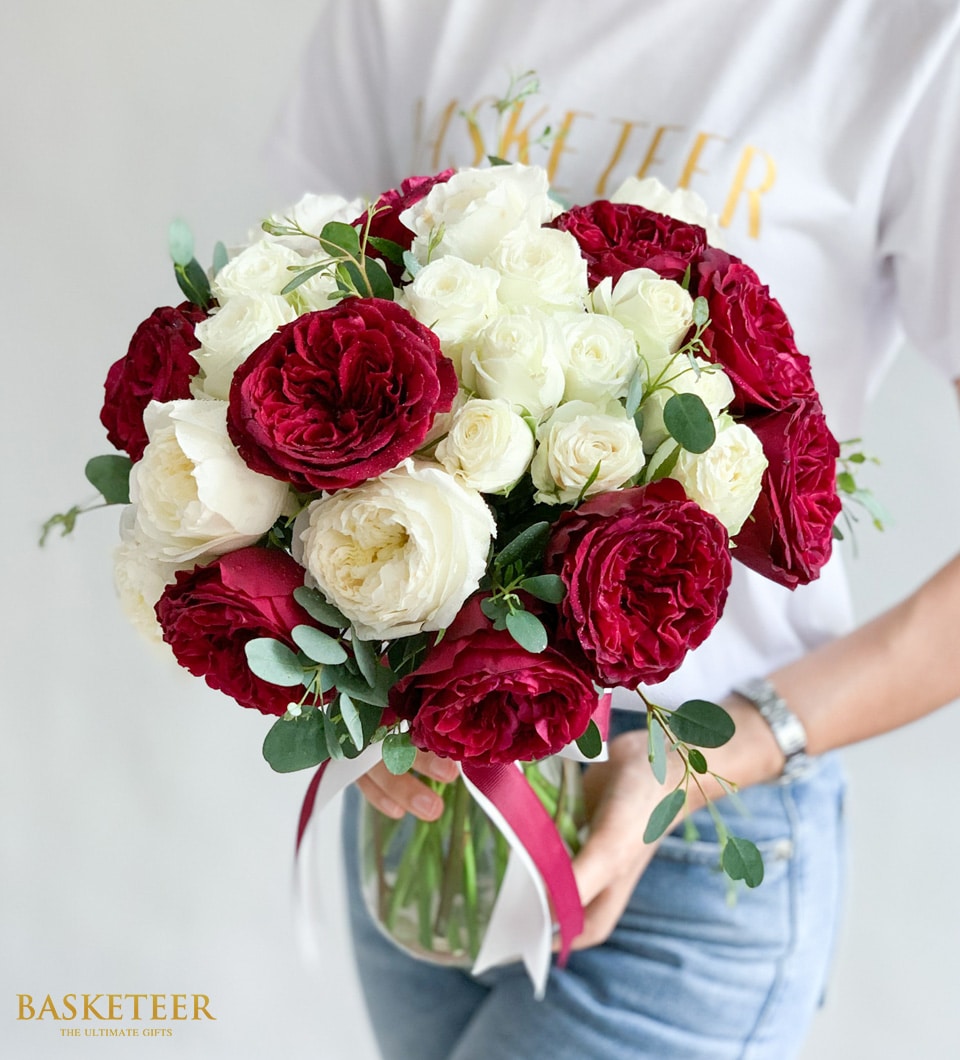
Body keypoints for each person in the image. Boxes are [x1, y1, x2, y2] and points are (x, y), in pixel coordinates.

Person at [269, 2, 960, 1056]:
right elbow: (290, 353)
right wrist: (345, 684)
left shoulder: (902, 40)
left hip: (684, 832)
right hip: (427, 795)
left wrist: (726, 749)